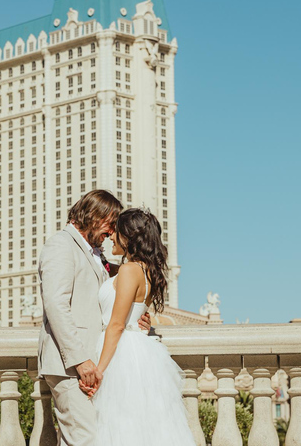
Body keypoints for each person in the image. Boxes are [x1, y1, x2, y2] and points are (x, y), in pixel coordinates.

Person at [37, 190, 150, 446]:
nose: (112, 233)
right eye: (110, 224)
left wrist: (138, 317)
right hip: (71, 367)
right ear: (94, 216)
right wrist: (80, 361)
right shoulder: (61, 245)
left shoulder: (97, 255)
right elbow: (56, 305)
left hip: (92, 366)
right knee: (85, 439)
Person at [83, 207, 195, 446]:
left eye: (116, 232)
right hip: (140, 353)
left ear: (128, 236)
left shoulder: (128, 270)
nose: (111, 236)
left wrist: (99, 372)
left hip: (119, 354)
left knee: (118, 427)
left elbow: (116, 325)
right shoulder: (146, 271)